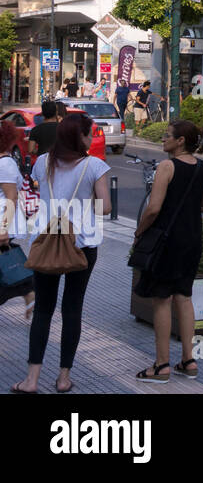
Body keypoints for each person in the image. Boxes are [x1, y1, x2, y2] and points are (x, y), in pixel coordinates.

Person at [10, 113, 110, 394]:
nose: (92, 138)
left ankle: (31, 380)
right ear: (80, 137)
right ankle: (64, 378)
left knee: (43, 308)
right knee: (72, 308)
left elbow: (41, 190)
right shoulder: (95, 166)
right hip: (83, 244)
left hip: (47, 240)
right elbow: (105, 208)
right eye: (90, 133)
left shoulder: (43, 162)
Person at [133, 120, 203, 382]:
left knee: (162, 300)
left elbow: (153, 208)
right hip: (192, 239)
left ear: (180, 141)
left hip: (167, 240)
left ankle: (161, 365)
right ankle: (189, 361)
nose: (163, 140)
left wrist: (139, 231)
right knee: (184, 297)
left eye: (167, 136)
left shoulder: (167, 166)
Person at [0, 120, 35, 320]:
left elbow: (11, 196)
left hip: (3, 220)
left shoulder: (4, 164)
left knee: (6, 262)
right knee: (6, 262)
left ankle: (29, 292)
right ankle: (29, 293)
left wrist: (3, 228)